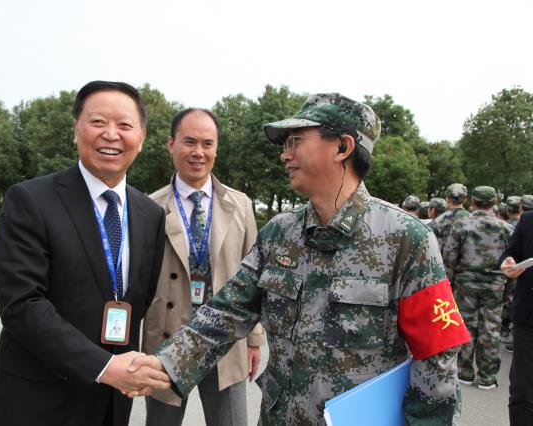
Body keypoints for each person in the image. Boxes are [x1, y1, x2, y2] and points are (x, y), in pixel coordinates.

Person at [131, 93, 470, 425]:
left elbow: (437, 359)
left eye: (295, 141)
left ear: (342, 147)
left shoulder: (406, 238)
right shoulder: (280, 233)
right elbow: (226, 311)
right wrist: (166, 364)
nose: (285, 154)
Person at [0, 81, 170, 426]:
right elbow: (22, 305)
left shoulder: (150, 213)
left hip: (111, 402)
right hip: (36, 400)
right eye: (98, 122)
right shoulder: (30, 200)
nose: (111, 134)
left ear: (141, 138)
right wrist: (104, 366)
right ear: (76, 130)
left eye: (124, 125)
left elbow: (138, 302)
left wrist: (122, 369)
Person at [142, 108, 265, 426]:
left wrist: (254, 340)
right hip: (168, 342)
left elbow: (255, 278)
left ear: (216, 149)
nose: (198, 152)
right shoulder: (149, 207)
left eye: (207, 143)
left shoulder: (240, 205)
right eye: (189, 142)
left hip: (224, 340)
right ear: (171, 144)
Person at [443, 186, 513, 390]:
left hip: (465, 285)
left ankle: (464, 371)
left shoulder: (461, 225)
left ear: (473, 202)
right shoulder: (506, 228)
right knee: (491, 329)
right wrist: (508, 291)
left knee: (465, 325)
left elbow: (449, 258)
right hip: (495, 285)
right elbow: (512, 263)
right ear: (494, 203)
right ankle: (487, 377)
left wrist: (447, 287)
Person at [500, 209, 533, 425]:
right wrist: (508, 263)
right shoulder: (529, 219)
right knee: (522, 391)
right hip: (528, 318)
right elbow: (510, 254)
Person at [501, 195, 522, 344]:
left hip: (506, 271)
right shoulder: (521, 225)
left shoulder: (506, 226)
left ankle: (504, 328)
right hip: (519, 272)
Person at [431, 183, 470, 257]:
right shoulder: (472, 219)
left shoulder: (439, 221)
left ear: (447, 199)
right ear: (465, 200)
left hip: (444, 262)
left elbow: (434, 248)